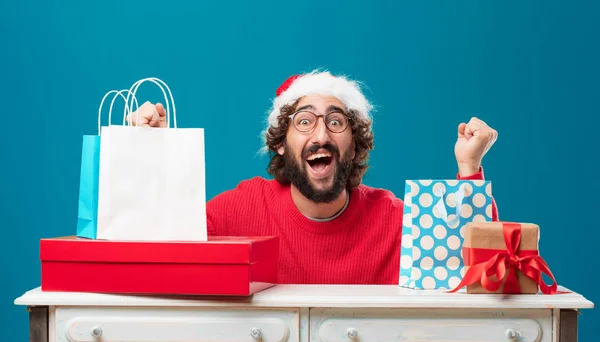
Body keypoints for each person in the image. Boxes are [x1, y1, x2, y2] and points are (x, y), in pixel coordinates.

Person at [127, 70, 499, 285]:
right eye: (304, 122)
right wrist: (153, 153)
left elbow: (484, 274)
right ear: (280, 145)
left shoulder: (393, 220)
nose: (321, 136)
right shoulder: (241, 208)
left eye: (336, 122)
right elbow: (156, 250)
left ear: (354, 146)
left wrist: (469, 169)